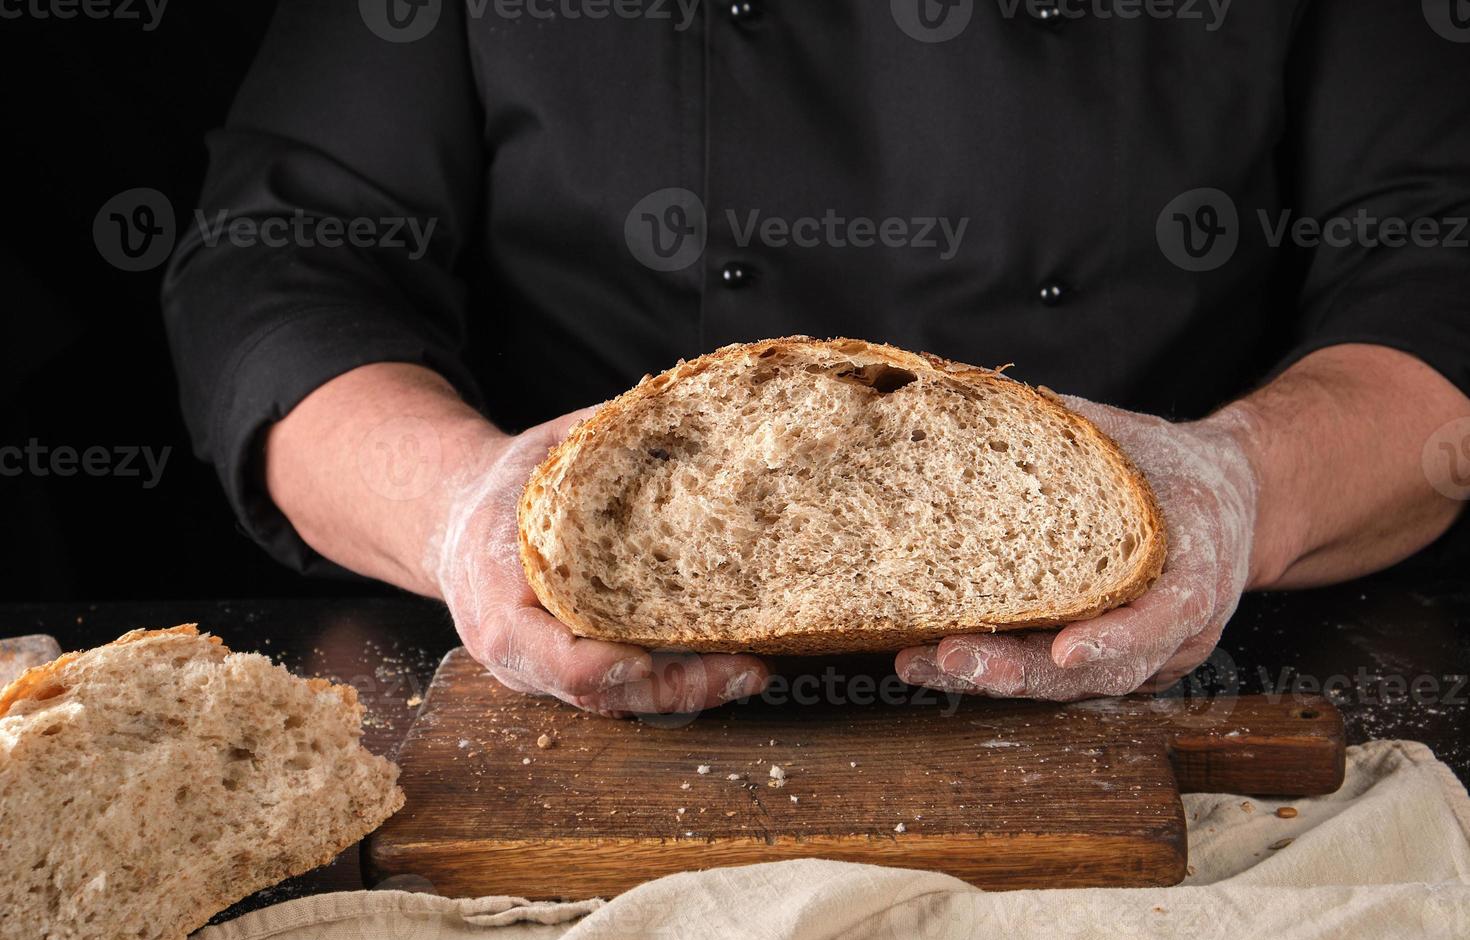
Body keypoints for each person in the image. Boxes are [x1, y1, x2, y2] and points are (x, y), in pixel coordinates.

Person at [163, 0, 1470, 713]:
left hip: (1186, 685)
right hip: (564, 702)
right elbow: (285, 260)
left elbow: (1441, 252)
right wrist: (454, 504)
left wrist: (1245, 488)